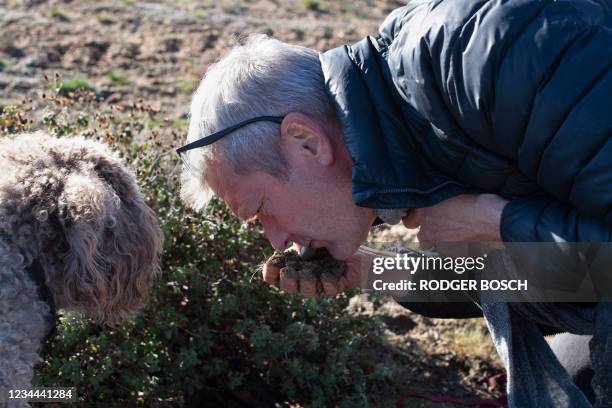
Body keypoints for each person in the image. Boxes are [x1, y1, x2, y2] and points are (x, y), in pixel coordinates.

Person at [177, 0, 612, 406]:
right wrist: (377, 271)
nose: (277, 238)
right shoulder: (404, 120)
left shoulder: (476, 66)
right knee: (579, 384)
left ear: (305, 142)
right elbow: (582, 274)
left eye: (262, 210)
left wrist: (499, 222)